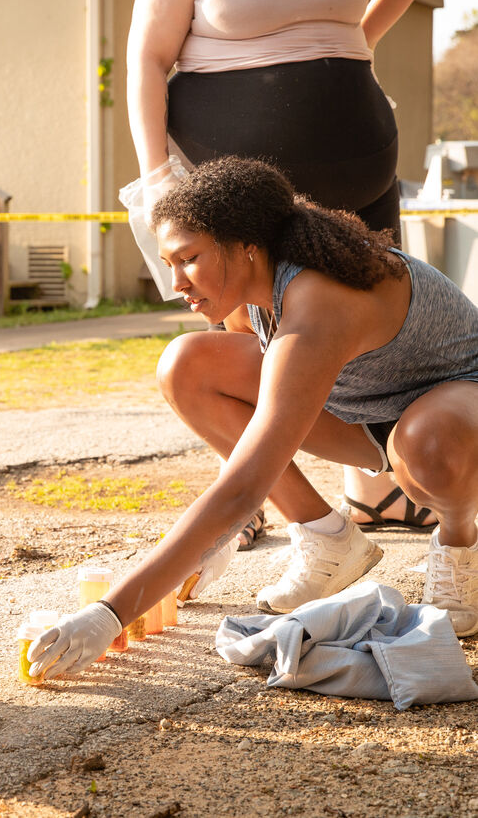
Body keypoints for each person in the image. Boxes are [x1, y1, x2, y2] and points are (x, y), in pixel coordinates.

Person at [28, 156, 478, 680]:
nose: (175, 283)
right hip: (365, 418)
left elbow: (246, 485)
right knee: (187, 366)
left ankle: (459, 538)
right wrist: (215, 535)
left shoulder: (318, 299)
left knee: (429, 445)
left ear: (244, 244)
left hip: (455, 414)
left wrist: (109, 613)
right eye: (169, 263)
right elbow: (254, 436)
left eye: (189, 259)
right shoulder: (251, 291)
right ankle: (326, 538)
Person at [125, 0, 435, 547]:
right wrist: (156, 175)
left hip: (362, 176)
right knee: (253, 342)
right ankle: (256, 497)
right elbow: (148, 59)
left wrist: (358, 42)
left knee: (374, 332)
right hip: (244, 194)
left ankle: (374, 491)